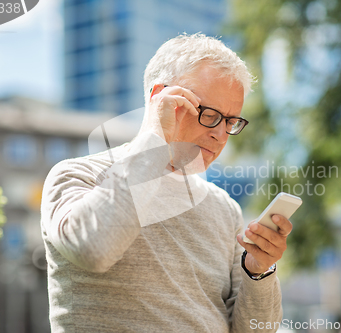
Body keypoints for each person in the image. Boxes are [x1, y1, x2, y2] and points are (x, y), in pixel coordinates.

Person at [41, 33, 293, 332]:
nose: (221, 135)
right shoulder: (77, 175)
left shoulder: (224, 208)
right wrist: (155, 137)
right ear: (159, 97)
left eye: (230, 121)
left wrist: (258, 272)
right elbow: (94, 250)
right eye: (210, 115)